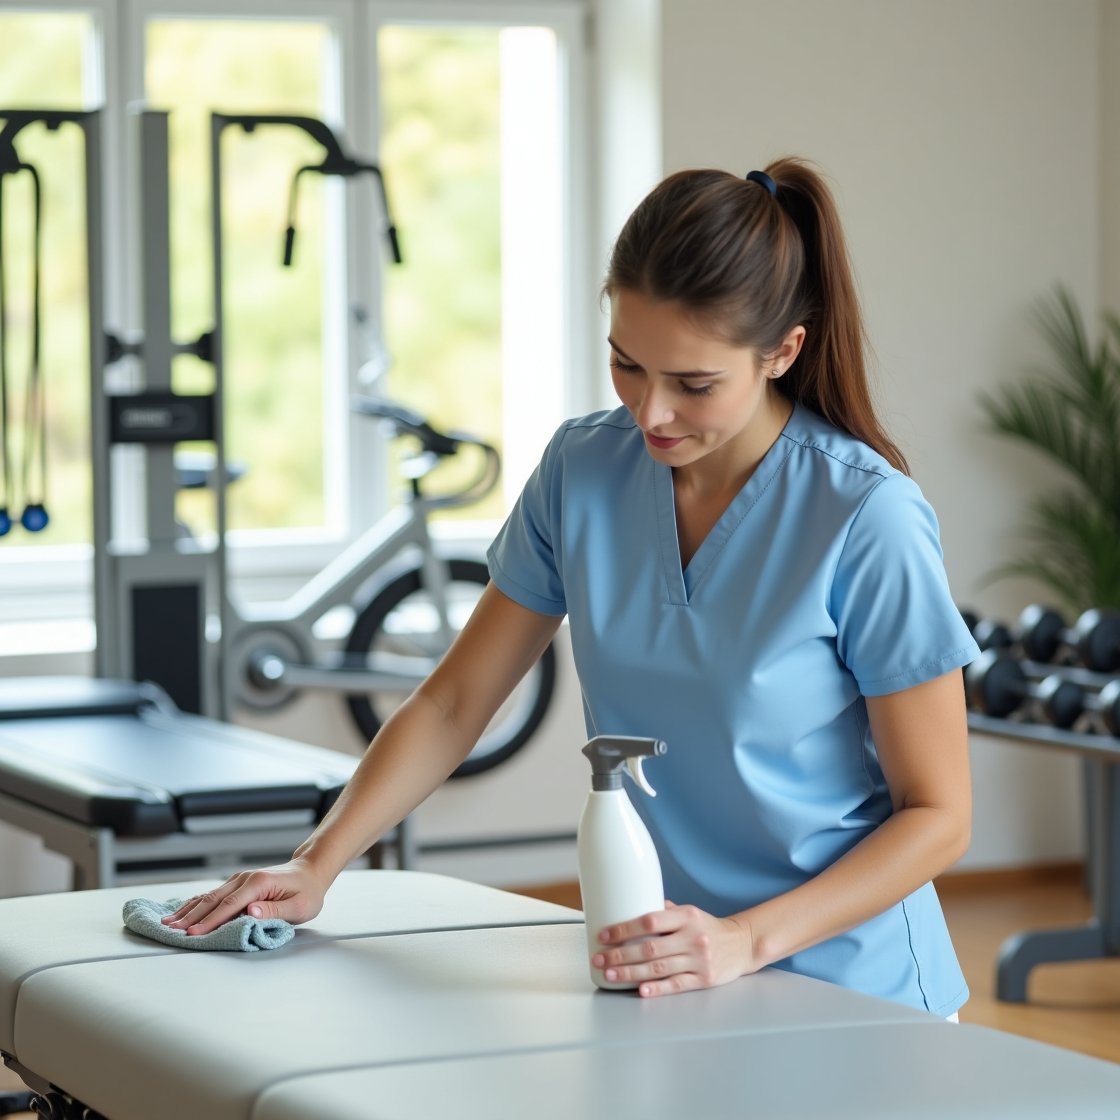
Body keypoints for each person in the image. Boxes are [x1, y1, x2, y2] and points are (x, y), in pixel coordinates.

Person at [165, 157, 978, 1018]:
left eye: (694, 384)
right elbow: (452, 703)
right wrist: (317, 863)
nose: (651, 413)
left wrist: (745, 940)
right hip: (662, 966)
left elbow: (939, 814)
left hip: (851, 983)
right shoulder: (583, 469)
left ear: (783, 351)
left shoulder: (865, 515)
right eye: (627, 365)